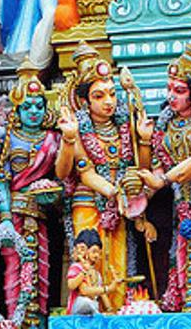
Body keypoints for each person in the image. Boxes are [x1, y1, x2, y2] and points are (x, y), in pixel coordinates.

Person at [57, 42, 151, 311]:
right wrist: (69, 138)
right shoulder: (77, 127)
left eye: (111, 94)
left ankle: (117, 311)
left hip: (119, 204)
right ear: (84, 101)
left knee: (118, 260)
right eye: (99, 96)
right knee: (90, 259)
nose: (109, 101)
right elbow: (82, 172)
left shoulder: (125, 124)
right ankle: (89, 311)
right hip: (89, 202)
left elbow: (141, 168)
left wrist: (144, 140)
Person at [139, 40, 191, 312]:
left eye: (180, 90)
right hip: (179, 200)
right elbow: (159, 166)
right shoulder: (165, 124)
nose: (171, 96)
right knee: (180, 249)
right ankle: (185, 304)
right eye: (169, 89)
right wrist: (143, 193)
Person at [0, 59, 68, 327]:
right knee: (14, 269)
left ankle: (38, 322)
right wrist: (4, 216)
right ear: (17, 110)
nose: (34, 112)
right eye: (27, 107)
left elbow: (60, 178)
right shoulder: (8, 137)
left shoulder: (53, 139)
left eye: (39, 106)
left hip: (40, 214)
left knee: (41, 267)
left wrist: (54, 195)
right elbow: (1, 180)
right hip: (13, 214)